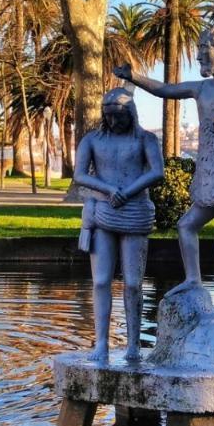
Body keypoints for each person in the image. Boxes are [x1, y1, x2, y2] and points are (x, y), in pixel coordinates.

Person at [114, 27, 214, 322]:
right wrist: (134, 78)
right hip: (211, 174)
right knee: (185, 226)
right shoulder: (201, 89)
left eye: (203, 50)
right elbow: (165, 90)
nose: (198, 56)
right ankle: (193, 279)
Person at [74, 86, 164, 363]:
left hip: (135, 211)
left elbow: (157, 171)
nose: (114, 121)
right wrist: (108, 189)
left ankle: (133, 344)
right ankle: (101, 342)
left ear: (131, 113)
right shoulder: (92, 140)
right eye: (109, 115)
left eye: (120, 116)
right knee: (101, 281)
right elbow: (80, 174)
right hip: (102, 212)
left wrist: (128, 190)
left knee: (134, 283)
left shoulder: (146, 139)